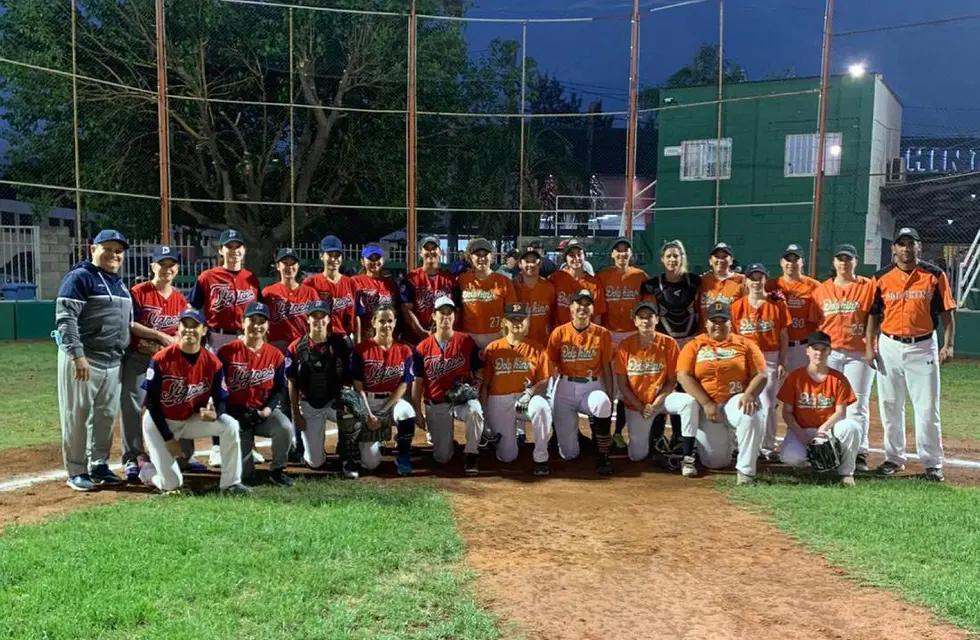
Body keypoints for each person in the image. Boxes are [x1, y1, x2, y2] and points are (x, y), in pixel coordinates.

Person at [867, 227, 956, 482]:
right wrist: (869, 346)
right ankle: (894, 458)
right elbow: (873, 314)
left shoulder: (934, 275)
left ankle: (932, 463)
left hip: (923, 344)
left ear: (919, 247)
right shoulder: (880, 277)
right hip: (889, 344)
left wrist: (948, 345)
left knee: (927, 406)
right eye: (901, 244)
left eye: (911, 243)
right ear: (893, 248)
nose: (906, 248)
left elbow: (947, 313)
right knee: (889, 404)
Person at [138, 309, 250, 495]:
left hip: (189, 420)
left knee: (230, 424)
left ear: (204, 330)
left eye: (195, 326)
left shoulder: (212, 362)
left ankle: (231, 483)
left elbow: (222, 398)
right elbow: (151, 403)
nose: (189, 330)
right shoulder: (161, 359)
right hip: (159, 424)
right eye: (185, 325)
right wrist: (168, 439)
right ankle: (147, 471)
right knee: (172, 484)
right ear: (178, 329)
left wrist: (217, 413)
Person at [55, 229, 133, 491]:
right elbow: (66, 319)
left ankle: (99, 463)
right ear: (93, 249)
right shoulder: (80, 277)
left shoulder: (119, 284)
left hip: (113, 362)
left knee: (105, 416)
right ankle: (76, 470)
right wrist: (77, 356)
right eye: (108, 248)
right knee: (76, 415)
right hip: (84, 359)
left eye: (118, 250)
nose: (114, 254)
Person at [121, 245, 199, 483]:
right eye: (162, 264)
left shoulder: (179, 298)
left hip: (168, 364)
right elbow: (130, 323)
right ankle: (133, 457)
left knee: (175, 404)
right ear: (152, 266)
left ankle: (183, 453)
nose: (167, 269)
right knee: (132, 408)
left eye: (171, 265)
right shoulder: (138, 292)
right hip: (139, 359)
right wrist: (159, 335)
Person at [189, 228, 262, 468]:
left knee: (245, 389)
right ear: (220, 250)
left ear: (244, 250)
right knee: (216, 391)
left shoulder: (251, 279)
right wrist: (199, 338)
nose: (233, 251)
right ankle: (217, 446)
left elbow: (257, 313)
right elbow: (192, 311)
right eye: (228, 247)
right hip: (216, 338)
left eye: (237, 246)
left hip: (244, 339)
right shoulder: (207, 277)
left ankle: (247, 443)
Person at [675, 301, 767, 485]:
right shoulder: (694, 345)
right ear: (706, 324)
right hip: (709, 406)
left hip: (736, 399)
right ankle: (730, 440)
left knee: (750, 414)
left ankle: (746, 472)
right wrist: (706, 403)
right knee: (715, 462)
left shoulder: (745, 344)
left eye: (722, 321)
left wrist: (750, 394)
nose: (718, 325)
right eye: (713, 321)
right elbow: (683, 376)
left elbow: (762, 374)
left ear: (730, 324)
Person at [809, 243, 877, 472]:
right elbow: (815, 324)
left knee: (858, 403)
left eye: (848, 259)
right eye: (839, 259)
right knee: (830, 403)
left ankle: (859, 452)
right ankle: (829, 447)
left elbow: (874, 317)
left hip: (859, 352)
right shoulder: (821, 290)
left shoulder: (867, 286)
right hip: (831, 352)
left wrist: (871, 347)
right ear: (834, 262)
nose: (843, 263)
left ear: (855, 261)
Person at [614, 301, 697, 472]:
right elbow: (622, 384)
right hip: (637, 405)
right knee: (637, 455)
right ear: (635, 321)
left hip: (662, 399)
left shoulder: (669, 343)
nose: (645, 321)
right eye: (641, 318)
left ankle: (688, 456)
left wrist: (656, 403)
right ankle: (657, 449)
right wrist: (641, 406)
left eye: (650, 317)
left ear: (657, 319)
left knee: (689, 402)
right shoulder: (625, 345)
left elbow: (671, 381)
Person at [217, 303, 294, 487]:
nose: (257, 326)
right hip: (236, 415)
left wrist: (267, 410)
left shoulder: (275, 355)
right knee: (245, 475)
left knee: (284, 427)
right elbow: (219, 390)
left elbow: (279, 389)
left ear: (268, 326)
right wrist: (233, 414)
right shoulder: (226, 352)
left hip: (262, 412)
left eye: (262, 321)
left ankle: (277, 470)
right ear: (243, 322)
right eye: (252, 320)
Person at [638, 239, 702, 455]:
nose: (673, 259)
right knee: (660, 386)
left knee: (685, 390)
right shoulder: (652, 285)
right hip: (664, 344)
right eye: (669, 256)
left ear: (682, 258)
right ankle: (656, 437)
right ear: (662, 260)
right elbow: (645, 311)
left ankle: (680, 437)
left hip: (689, 342)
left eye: (677, 255)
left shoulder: (695, 282)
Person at [777, 331, 862, 486]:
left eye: (823, 349)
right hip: (801, 429)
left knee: (851, 428)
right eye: (815, 348)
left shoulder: (838, 378)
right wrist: (800, 433)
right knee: (791, 457)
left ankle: (846, 474)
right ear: (807, 351)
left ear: (829, 351)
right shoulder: (795, 377)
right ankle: (808, 466)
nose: (819, 353)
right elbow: (787, 412)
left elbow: (840, 412)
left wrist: (822, 430)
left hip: (828, 430)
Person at [412, 296, 485, 474]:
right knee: (442, 457)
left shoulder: (466, 341)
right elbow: (418, 382)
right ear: (433, 316)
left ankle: (471, 453)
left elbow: (480, 372)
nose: (445, 318)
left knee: (474, 410)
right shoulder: (422, 348)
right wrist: (417, 411)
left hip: (461, 401)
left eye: (449, 314)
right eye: (441, 314)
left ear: (454, 317)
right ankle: (447, 442)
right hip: (437, 402)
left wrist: (475, 389)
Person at [286, 300, 358, 477]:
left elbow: (351, 377)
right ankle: (315, 451)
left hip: (334, 401)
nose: (319, 321)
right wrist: (296, 414)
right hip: (310, 404)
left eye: (322, 317)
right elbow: (292, 382)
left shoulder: (341, 343)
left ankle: (347, 455)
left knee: (352, 411)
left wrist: (356, 404)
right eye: (314, 317)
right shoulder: (295, 347)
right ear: (307, 319)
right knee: (315, 462)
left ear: (329, 319)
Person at [480, 303, 554, 475]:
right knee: (507, 456)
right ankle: (498, 442)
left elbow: (544, 379)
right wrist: (485, 417)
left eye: (521, 319)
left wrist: (530, 392)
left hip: (526, 398)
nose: (517, 322)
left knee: (542, 408)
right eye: (512, 319)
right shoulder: (493, 348)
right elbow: (485, 384)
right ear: (505, 322)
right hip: (499, 400)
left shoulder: (536, 348)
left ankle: (541, 458)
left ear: (527, 322)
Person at [547, 289, 615, 475]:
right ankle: (577, 439)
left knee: (602, 403)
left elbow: (607, 367)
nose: (582, 308)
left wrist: (609, 395)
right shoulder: (559, 333)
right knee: (569, 454)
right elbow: (550, 364)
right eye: (579, 304)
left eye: (587, 304)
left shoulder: (602, 334)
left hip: (591, 385)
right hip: (565, 386)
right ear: (571, 307)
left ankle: (603, 455)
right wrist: (549, 393)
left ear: (593, 309)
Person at [730, 263, 790, 460]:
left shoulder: (777, 304)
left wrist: (782, 360)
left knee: (767, 402)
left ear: (766, 280)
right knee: (743, 400)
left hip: (769, 358)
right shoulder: (737, 306)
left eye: (760, 278)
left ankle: (767, 446)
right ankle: (741, 443)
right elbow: (733, 337)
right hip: (745, 359)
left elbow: (783, 334)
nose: (756, 282)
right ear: (746, 281)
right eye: (752, 278)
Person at [351, 305, 417, 476]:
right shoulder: (361, 350)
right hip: (369, 403)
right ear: (373, 322)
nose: (386, 325)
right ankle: (366, 443)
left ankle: (402, 455)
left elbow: (403, 385)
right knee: (370, 464)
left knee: (407, 412)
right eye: (381, 321)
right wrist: (368, 413)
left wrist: (384, 410)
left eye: (390, 321)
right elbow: (358, 386)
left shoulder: (405, 350)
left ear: (395, 323)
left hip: (391, 402)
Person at [597, 236, 648, 449]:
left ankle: (618, 432)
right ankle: (601, 434)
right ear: (612, 255)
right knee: (608, 384)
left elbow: (647, 308)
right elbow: (598, 309)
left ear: (630, 254)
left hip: (631, 334)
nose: (622, 254)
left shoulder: (640, 276)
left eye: (625, 251)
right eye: (618, 251)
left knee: (629, 384)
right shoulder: (603, 276)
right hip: (609, 334)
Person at [455, 237, 517, 349]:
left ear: (492, 257)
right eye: (477, 254)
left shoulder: (504, 281)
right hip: (468, 340)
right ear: (470, 257)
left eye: (485, 254)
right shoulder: (462, 280)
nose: (481, 258)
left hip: (497, 339)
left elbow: (512, 314)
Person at [767, 243, 821, 371]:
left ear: (802, 262)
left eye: (795, 260)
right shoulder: (770, 285)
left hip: (802, 346)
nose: (791, 263)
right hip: (776, 345)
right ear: (781, 262)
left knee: (801, 386)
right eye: (787, 260)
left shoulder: (814, 286)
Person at [400, 236, 456, 345]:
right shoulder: (410, 279)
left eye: (434, 248)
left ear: (440, 252)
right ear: (420, 252)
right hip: (415, 339)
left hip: (443, 337)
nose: (431, 252)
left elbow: (456, 310)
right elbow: (406, 310)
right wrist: (421, 332)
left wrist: (445, 332)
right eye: (427, 249)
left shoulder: (450, 280)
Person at [262, 248, 319, 353]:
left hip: (303, 346)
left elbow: (318, 321)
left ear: (298, 266)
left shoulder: (310, 292)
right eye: (285, 263)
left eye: (293, 264)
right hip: (277, 347)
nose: (289, 267)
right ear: (278, 266)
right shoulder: (268, 293)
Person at [305, 235, 357, 340]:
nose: (334, 259)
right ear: (321, 256)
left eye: (337, 255)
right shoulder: (311, 283)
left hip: (345, 337)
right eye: (329, 254)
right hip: (321, 337)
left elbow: (357, 315)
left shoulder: (351, 283)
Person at [549, 238, 606, 326]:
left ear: (585, 256)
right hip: (561, 334)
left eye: (579, 254)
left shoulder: (594, 283)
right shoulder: (555, 279)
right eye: (572, 255)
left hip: (584, 334)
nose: (576, 258)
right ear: (566, 258)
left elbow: (597, 314)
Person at [351, 243, 399, 343]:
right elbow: (354, 314)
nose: (374, 262)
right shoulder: (355, 282)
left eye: (377, 258)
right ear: (362, 261)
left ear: (383, 260)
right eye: (370, 259)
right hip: (365, 337)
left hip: (387, 337)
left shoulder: (390, 284)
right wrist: (358, 340)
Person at [512, 245, 557, 347]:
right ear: (519, 264)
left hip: (543, 344)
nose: (531, 265)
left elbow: (554, 316)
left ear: (540, 264)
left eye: (534, 261)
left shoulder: (549, 287)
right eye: (527, 261)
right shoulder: (512, 287)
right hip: (520, 344)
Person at [697, 241, 744, 332]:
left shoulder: (742, 281)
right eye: (717, 257)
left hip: (731, 336)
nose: (720, 260)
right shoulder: (701, 281)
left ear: (731, 260)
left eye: (724, 257)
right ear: (710, 261)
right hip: (705, 337)